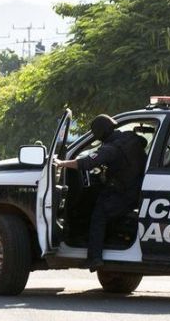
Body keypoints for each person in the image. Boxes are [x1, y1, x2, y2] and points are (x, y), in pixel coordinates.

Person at [53, 114, 147, 271]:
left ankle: (94, 258)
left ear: (100, 134)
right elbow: (143, 142)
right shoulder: (131, 137)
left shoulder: (111, 149)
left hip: (125, 193)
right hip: (137, 187)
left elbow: (87, 163)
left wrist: (61, 163)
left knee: (99, 215)